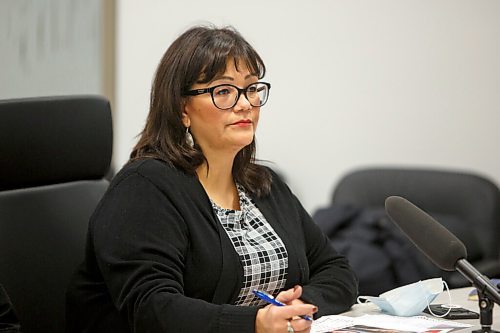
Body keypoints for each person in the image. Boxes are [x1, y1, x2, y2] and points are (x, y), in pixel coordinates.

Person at [65, 24, 358, 333]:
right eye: (224, 91)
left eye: (252, 88)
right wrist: (255, 323)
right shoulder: (145, 187)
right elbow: (153, 308)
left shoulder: (263, 184)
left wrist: (296, 306)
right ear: (182, 110)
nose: (245, 103)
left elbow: (337, 271)